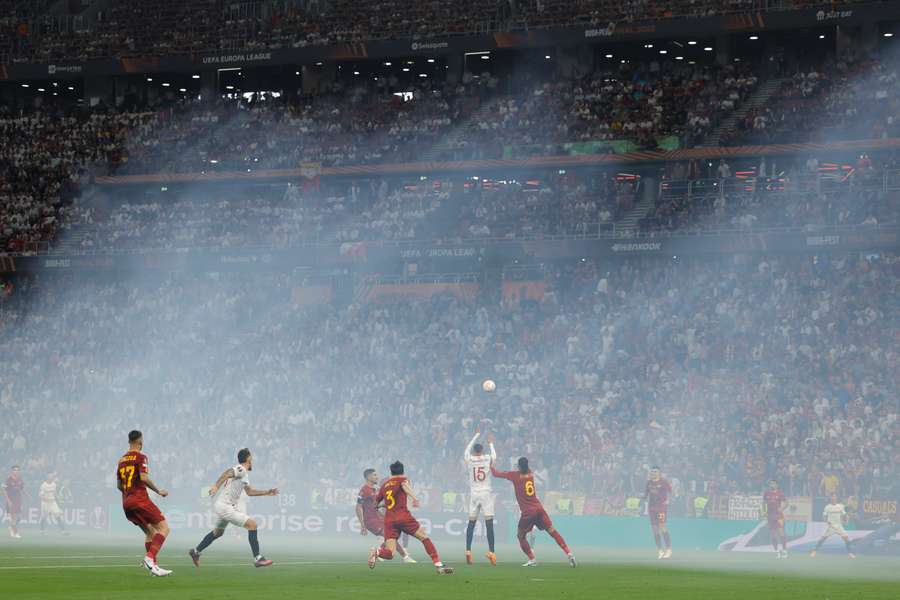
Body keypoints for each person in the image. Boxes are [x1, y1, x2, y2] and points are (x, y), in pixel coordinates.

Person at [189, 448, 277, 568]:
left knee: (218, 532)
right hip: (225, 507)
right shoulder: (241, 469)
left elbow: (249, 492)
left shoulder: (244, 475)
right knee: (253, 525)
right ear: (248, 459)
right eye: (251, 458)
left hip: (222, 505)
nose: (253, 461)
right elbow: (227, 473)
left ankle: (195, 551)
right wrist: (215, 486)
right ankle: (258, 558)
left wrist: (267, 492)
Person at [367, 461, 454, 574]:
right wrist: (414, 498)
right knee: (424, 537)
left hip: (389, 520)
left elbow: (375, 505)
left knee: (390, 553)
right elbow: (405, 486)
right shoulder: (402, 480)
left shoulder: (384, 485)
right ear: (402, 471)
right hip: (403, 517)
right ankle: (439, 565)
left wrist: (384, 504)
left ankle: (377, 551)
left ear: (391, 472)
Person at [491, 456, 575, 568]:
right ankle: (569, 553)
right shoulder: (530, 473)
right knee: (552, 531)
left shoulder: (515, 475)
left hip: (528, 512)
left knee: (520, 536)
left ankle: (532, 559)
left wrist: (490, 465)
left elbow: (496, 474)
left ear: (519, 466)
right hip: (539, 508)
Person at [116, 430, 172, 577]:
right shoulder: (141, 457)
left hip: (127, 502)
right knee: (164, 528)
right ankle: (149, 558)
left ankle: (153, 566)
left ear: (129, 441)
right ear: (140, 442)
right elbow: (144, 478)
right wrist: (158, 491)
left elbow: (119, 486)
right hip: (139, 499)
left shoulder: (121, 460)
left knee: (150, 532)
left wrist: (127, 497)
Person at [356, 468, 415, 563]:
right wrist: (362, 524)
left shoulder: (375, 489)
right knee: (390, 536)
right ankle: (405, 556)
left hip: (379, 517)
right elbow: (358, 507)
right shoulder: (364, 490)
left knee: (394, 533)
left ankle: (379, 552)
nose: (377, 477)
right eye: (375, 475)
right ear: (368, 477)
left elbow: (377, 505)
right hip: (371, 520)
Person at [464, 429, 497, 565]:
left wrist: (476, 434)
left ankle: (468, 551)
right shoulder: (487, 458)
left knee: (471, 523)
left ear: (474, 451)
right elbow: (494, 456)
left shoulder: (470, 459)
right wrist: (491, 444)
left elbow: (466, 450)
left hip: (474, 494)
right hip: (486, 493)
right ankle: (492, 553)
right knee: (489, 523)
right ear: (482, 451)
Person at [810, 493, 856, 559]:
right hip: (831, 526)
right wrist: (827, 521)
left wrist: (846, 518)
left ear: (836, 498)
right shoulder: (827, 507)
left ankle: (850, 554)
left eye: (835, 497)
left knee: (846, 538)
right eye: (832, 497)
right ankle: (814, 552)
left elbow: (844, 514)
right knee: (822, 538)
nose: (834, 498)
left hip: (839, 526)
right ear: (830, 498)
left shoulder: (840, 506)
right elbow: (824, 517)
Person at [644, 466, 673, 559]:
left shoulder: (663, 482)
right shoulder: (649, 483)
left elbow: (671, 491)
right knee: (654, 530)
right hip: (651, 509)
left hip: (661, 508)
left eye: (655, 471)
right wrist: (642, 497)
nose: (653, 473)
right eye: (652, 472)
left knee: (662, 526)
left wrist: (669, 500)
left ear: (659, 473)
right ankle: (660, 550)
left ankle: (669, 549)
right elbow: (646, 494)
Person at [762, 479, 788, 558]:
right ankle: (777, 551)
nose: (772, 485)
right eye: (770, 483)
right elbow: (763, 503)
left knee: (781, 533)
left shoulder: (780, 493)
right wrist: (764, 511)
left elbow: (787, 502)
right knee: (773, 535)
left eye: (773, 483)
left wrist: (782, 508)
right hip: (770, 516)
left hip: (779, 515)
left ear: (777, 485)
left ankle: (784, 551)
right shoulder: (766, 493)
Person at [2, 466, 24, 539]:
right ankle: (16, 533)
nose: (16, 471)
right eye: (14, 470)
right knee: (14, 517)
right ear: (12, 471)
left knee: (19, 518)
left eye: (17, 470)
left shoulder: (20, 479)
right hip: (11, 501)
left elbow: (21, 489)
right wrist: (8, 501)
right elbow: (4, 490)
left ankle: (10, 527)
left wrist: (27, 496)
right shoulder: (8, 479)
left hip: (18, 501)